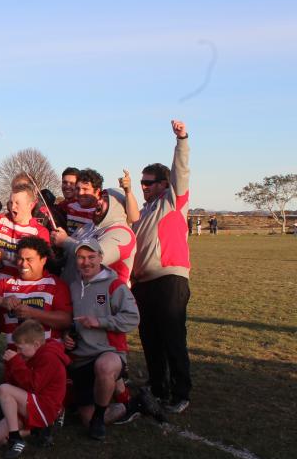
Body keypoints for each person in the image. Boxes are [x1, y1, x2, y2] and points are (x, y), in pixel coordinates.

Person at [131, 119, 193, 414]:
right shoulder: (144, 212)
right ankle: (159, 388)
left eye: (148, 182)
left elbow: (181, 171)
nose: (143, 187)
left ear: (164, 184)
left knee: (172, 337)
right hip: (144, 283)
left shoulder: (172, 202)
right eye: (141, 182)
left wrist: (181, 140)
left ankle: (181, 392)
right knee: (150, 339)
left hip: (170, 279)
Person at [63, 239, 140, 440]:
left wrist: (100, 321)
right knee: (83, 419)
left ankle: (99, 418)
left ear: (101, 258)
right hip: (80, 357)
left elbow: (133, 318)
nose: (86, 262)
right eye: (81, 257)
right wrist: (67, 337)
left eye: (91, 257)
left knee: (105, 367)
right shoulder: (72, 286)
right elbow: (70, 320)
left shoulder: (115, 285)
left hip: (108, 352)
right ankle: (126, 405)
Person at [0, 237, 72, 374]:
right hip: (14, 361)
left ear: (43, 260)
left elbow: (66, 320)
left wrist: (33, 313)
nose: (23, 264)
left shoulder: (56, 285)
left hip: (46, 359)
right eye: (20, 259)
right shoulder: (7, 284)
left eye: (29, 260)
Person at [0, 320, 70, 459]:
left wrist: (16, 362)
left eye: (20, 348)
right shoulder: (33, 355)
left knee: (3, 390)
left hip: (45, 407)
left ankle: (15, 438)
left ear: (36, 344)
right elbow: (16, 384)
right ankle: (38, 430)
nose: (18, 352)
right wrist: (10, 365)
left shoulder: (49, 357)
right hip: (30, 403)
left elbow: (32, 386)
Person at [50, 169, 137, 285]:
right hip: (77, 296)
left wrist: (65, 241)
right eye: (101, 197)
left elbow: (97, 258)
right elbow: (68, 255)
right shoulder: (88, 227)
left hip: (106, 299)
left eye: (105, 200)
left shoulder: (122, 233)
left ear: (117, 206)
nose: (99, 201)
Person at [0, 184, 51, 281]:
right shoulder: (0, 219)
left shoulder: (40, 232)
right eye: (11, 203)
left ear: (31, 205)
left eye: (17, 203)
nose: (12, 207)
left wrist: (4, 255)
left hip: (17, 288)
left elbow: (36, 264)